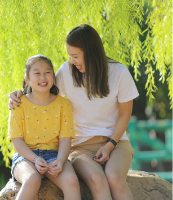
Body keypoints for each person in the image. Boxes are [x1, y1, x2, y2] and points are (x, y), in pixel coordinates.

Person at [8, 24, 139, 200]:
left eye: (75, 56)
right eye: (70, 55)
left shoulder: (120, 72)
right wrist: (19, 94)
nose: (71, 60)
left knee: (115, 178)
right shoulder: (67, 73)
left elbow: (125, 114)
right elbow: (42, 94)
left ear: (90, 52)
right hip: (81, 146)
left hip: (116, 144)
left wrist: (109, 146)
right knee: (96, 179)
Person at [8, 54, 81, 200]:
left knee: (72, 182)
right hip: (25, 157)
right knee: (32, 179)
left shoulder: (63, 104)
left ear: (53, 77)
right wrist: (34, 159)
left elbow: (65, 139)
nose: (43, 77)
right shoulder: (18, 104)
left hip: (54, 156)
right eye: (37, 73)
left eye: (48, 73)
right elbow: (17, 141)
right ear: (27, 79)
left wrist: (60, 160)